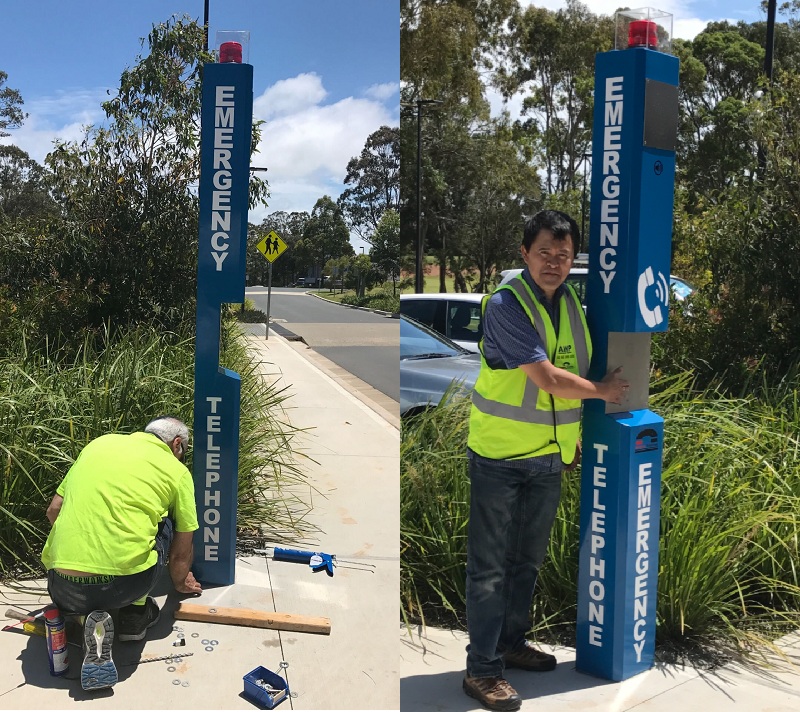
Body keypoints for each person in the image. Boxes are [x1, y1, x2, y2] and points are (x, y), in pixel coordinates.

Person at [462, 210, 628, 711]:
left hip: (549, 460)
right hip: (499, 457)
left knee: (525, 563)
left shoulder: (573, 304)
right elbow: (549, 379)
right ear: (524, 254)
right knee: (490, 570)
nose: (554, 263)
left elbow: (569, 374)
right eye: (544, 254)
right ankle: (482, 671)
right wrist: (603, 393)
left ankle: (511, 645)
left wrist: (569, 444)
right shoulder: (507, 306)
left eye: (563, 255)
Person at [41, 416, 203, 691]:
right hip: (125, 587)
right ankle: (134, 617)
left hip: (62, 586)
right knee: (166, 522)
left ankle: (83, 618)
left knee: (84, 578)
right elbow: (180, 551)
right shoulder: (177, 473)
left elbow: (54, 511)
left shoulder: (97, 445)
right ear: (177, 444)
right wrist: (180, 582)